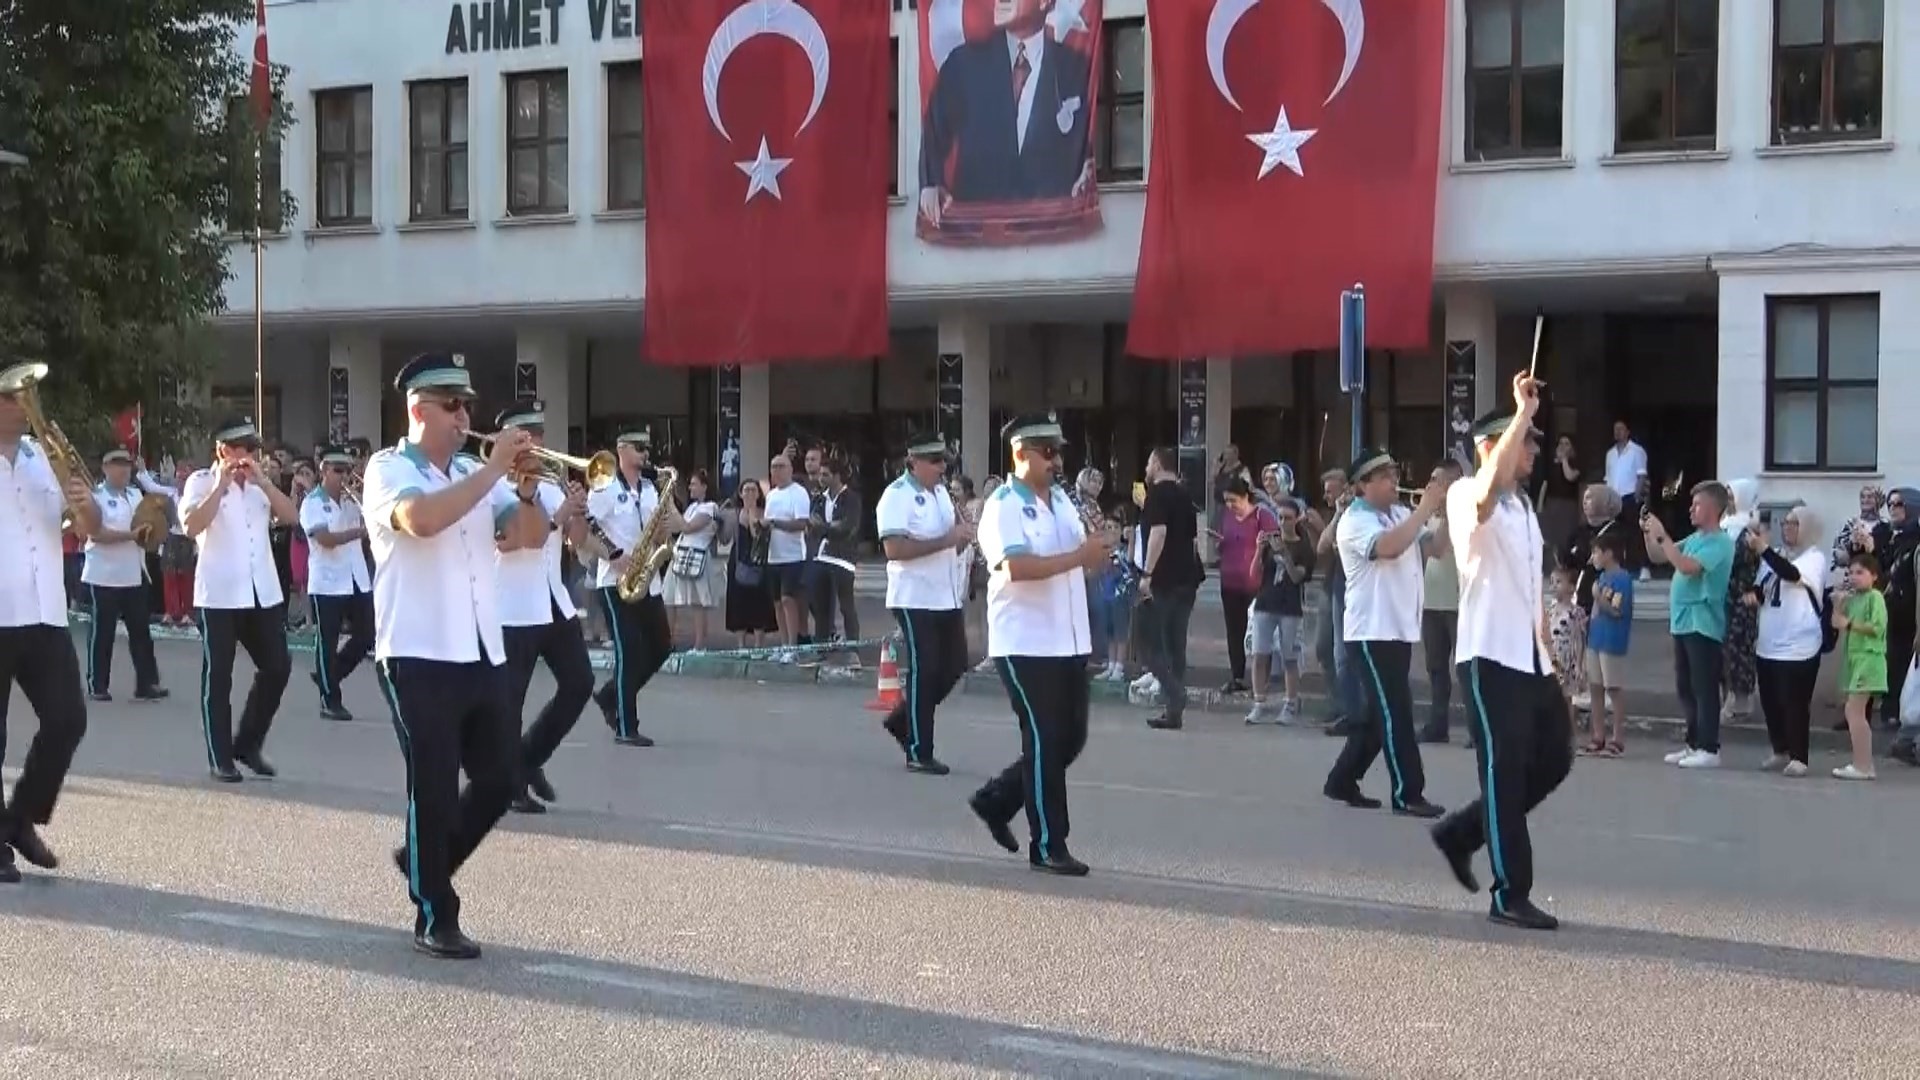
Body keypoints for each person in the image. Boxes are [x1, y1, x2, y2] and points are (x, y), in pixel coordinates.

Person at [365, 352, 533, 959]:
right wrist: (490, 473)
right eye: (452, 404)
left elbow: (525, 537)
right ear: (418, 408)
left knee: (500, 779)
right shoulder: (388, 470)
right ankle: (435, 912)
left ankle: (423, 861)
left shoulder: (471, 471)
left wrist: (531, 488)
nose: (466, 415)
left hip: (480, 647)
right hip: (416, 651)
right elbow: (421, 520)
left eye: (468, 405)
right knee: (433, 787)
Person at [1429, 378, 1575, 932]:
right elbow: (1487, 491)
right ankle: (1509, 893)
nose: (1534, 452)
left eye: (1535, 443)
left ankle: (1463, 833)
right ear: (1492, 446)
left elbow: (1528, 587)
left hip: (1529, 659)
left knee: (1555, 759)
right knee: (1504, 774)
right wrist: (1520, 412)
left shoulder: (1525, 511)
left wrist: (1549, 657)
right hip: (1489, 659)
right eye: (1525, 442)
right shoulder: (1470, 494)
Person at [967, 414, 1112, 876]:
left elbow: (1078, 561)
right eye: (1047, 452)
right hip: (1026, 641)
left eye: (1059, 452)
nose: (1056, 461)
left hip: (1068, 639)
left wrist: (1099, 554)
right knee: (1046, 739)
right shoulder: (1004, 505)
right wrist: (1078, 557)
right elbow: (1016, 568)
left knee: (1069, 738)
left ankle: (997, 799)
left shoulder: (1064, 504)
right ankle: (1049, 843)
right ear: (1021, 455)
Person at [0, 369, 98, 882]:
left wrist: (84, 504)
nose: (24, 406)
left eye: (26, 397)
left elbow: (91, 527)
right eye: (13, 397)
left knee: (67, 719)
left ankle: (16, 819)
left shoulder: (44, 459)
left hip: (44, 611)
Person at [1322, 447, 1447, 817]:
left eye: (1395, 474)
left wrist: (1450, 511)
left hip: (1397, 627)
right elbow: (1389, 548)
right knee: (1396, 713)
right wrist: (1425, 508)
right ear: (1363, 486)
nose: (1395, 482)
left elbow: (1436, 549)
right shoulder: (1354, 521)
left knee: (1380, 716)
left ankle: (1342, 779)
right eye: (1385, 477)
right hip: (1371, 631)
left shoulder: (1400, 512)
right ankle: (1408, 793)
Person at [179, 417, 299, 783]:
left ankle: (247, 742)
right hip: (218, 594)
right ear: (222, 451)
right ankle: (220, 757)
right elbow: (191, 526)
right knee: (219, 676)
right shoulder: (201, 481)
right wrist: (220, 485)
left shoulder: (261, 485)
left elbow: (291, 516)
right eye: (241, 448)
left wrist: (264, 482)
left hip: (261, 590)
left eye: (252, 449)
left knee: (277, 666)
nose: (248, 455)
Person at [490, 400, 595, 814]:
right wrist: (553, 517)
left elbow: (577, 540)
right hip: (513, 604)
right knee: (510, 700)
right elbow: (514, 541)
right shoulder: (494, 486)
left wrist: (578, 512)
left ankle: (529, 758)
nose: (537, 443)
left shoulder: (549, 483)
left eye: (539, 435)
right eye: (526, 436)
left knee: (580, 683)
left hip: (553, 600)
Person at [916, 0, 1094, 221]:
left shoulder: (1076, 69)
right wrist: (931, 184)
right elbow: (933, 132)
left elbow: (1090, 143)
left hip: (1052, 234)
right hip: (975, 237)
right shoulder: (963, 65)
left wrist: (1089, 167)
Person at [874, 433, 973, 775]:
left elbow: (949, 544)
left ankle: (905, 720)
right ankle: (919, 749)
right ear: (913, 462)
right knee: (926, 669)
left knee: (955, 664)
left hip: (945, 594)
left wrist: (962, 540)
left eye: (944, 461)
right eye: (934, 462)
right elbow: (895, 549)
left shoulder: (942, 494)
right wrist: (947, 539)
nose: (941, 468)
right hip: (914, 597)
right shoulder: (897, 496)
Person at [585, 430, 682, 747]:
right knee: (630, 652)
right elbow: (587, 525)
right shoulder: (605, 486)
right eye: (639, 449)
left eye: (647, 449)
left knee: (662, 647)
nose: (645, 455)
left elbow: (661, 529)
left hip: (647, 580)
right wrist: (613, 554)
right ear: (621, 449)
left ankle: (611, 695)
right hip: (615, 582)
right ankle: (627, 727)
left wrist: (665, 533)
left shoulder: (652, 489)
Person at [1643, 482, 1735, 770]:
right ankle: (1693, 742)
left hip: (1703, 622)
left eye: (1697, 504)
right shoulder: (1695, 537)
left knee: (1704, 686)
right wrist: (1650, 534)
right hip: (1682, 621)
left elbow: (1685, 566)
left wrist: (1663, 535)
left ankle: (1710, 746)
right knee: (1685, 685)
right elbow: (1660, 556)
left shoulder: (1720, 542)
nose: (1691, 509)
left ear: (1712, 508)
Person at [81, 448, 167, 703]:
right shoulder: (94, 497)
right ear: (106, 469)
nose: (124, 471)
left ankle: (146, 683)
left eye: (127, 466)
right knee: (102, 633)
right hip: (104, 574)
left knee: (141, 632)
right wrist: (131, 536)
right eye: (117, 466)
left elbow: (151, 525)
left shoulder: (136, 495)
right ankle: (98, 684)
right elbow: (96, 534)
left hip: (133, 573)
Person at [1750, 507, 1824, 777]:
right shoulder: (1777, 554)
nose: (1788, 527)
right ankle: (1779, 749)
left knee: (1794, 702)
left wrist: (1764, 550)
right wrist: (1754, 595)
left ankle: (1799, 756)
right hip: (1769, 641)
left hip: (1799, 644)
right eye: (1786, 522)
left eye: (1795, 523)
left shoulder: (1814, 558)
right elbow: (1765, 585)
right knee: (1770, 701)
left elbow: (1792, 575)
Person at [301, 447, 373, 722]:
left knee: (367, 635)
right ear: (324, 470)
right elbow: (325, 539)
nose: (343, 477)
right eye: (337, 470)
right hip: (328, 582)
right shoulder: (312, 502)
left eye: (347, 470)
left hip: (356, 578)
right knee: (327, 642)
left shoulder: (353, 501)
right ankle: (330, 700)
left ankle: (328, 676)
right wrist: (357, 532)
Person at [1138, 447, 1203, 731]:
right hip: (1187, 578)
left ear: (1157, 463)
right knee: (1176, 645)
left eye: (1149, 462)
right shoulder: (1185, 496)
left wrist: (1147, 574)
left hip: (1164, 578)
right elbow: (1193, 540)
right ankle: (1173, 711)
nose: (1147, 468)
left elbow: (1159, 533)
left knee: (1147, 643)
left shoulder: (1159, 494)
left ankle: (1175, 693)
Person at [1245, 496, 1314, 724]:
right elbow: (1254, 574)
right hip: (1265, 602)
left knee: (1289, 656)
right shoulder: (1269, 541)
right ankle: (1259, 703)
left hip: (1289, 608)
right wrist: (1258, 549)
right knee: (1259, 654)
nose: (1283, 522)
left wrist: (1285, 555)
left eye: (1288, 518)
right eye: (1280, 517)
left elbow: (1297, 578)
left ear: (1296, 520)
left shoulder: (1303, 547)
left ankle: (1291, 703)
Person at [1418, 461, 1465, 743]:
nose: (1431, 485)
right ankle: (1438, 725)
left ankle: (1476, 729)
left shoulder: (1466, 514)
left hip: (1459, 603)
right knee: (1435, 667)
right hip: (1432, 601)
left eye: (1438, 480)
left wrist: (1449, 511)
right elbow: (1426, 552)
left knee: (1466, 670)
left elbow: (1443, 547)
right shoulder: (1428, 516)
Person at [1833, 554, 1886, 782]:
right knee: (1852, 710)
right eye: (1851, 572)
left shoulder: (1876, 597)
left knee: (1855, 710)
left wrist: (1851, 624)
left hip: (1869, 658)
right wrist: (1839, 604)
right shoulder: (1853, 599)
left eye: (1860, 573)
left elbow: (1877, 627)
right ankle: (1862, 763)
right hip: (1854, 659)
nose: (1854, 577)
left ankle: (1863, 765)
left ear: (1873, 576)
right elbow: (1836, 623)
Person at [1581, 531, 1634, 758]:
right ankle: (1598, 735)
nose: (1593, 557)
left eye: (1596, 552)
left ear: (1609, 554)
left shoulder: (1622, 579)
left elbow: (1616, 610)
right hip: (1596, 638)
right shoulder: (1601, 578)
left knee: (1613, 688)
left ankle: (1618, 737)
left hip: (1612, 640)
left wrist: (1598, 597)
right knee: (1595, 687)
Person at [812, 458, 863, 668]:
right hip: (821, 556)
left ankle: (853, 650)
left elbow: (847, 526)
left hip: (843, 559)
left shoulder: (851, 499)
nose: (821, 478)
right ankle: (822, 649)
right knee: (821, 607)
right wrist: (828, 527)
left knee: (846, 606)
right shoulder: (819, 499)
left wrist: (824, 527)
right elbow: (812, 523)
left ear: (836, 476)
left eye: (825, 475)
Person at [763, 454, 813, 662]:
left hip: (793, 556)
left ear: (790, 469)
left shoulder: (799, 493)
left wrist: (775, 523)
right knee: (777, 602)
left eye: (781, 466)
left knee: (788, 600)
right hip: (773, 555)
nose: (777, 471)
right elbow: (767, 522)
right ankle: (784, 645)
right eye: (773, 467)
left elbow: (802, 524)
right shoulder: (771, 495)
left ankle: (793, 646)